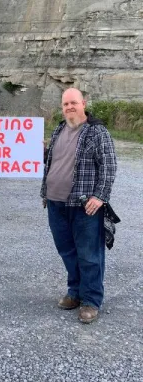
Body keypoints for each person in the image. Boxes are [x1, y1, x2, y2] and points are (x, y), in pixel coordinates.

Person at [41, 88, 117, 324]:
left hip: (84, 206)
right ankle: (75, 292)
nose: (69, 107)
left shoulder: (97, 132)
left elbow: (109, 166)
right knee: (67, 251)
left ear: (83, 103)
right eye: (65, 104)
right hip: (55, 202)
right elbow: (53, 160)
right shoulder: (58, 130)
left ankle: (91, 300)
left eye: (73, 102)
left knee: (89, 255)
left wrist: (100, 196)